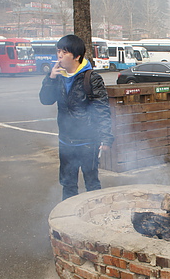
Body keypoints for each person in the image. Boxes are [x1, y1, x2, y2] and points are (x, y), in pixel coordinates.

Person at [39, 34, 114, 200]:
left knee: (92, 183)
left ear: (77, 56)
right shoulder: (57, 76)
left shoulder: (91, 78)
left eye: (64, 52)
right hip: (66, 141)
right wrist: (50, 78)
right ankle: (69, 219)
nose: (59, 56)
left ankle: (95, 215)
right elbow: (45, 100)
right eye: (58, 51)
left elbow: (101, 109)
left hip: (88, 142)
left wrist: (106, 138)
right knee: (67, 183)